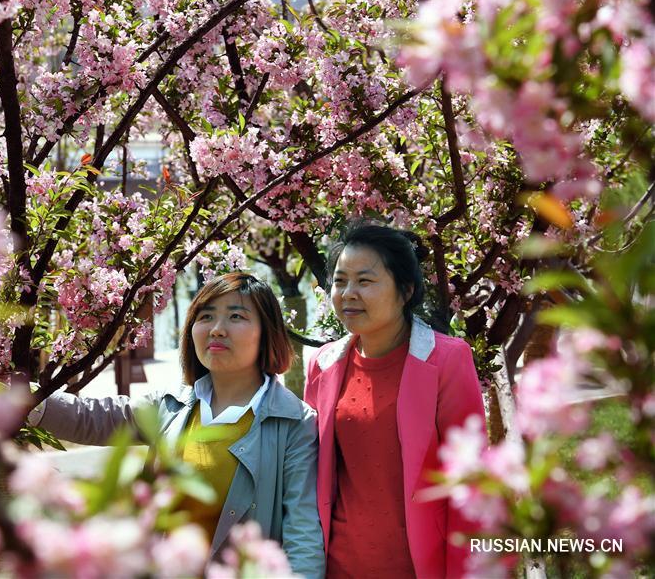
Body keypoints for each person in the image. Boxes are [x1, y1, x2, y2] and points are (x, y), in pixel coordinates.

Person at [29, 272, 325, 577]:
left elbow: (302, 531)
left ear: (267, 332)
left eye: (236, 316)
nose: (217, 329)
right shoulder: (173, 405)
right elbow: (94, 419)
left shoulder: (293, 422)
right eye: (206, 316)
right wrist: (21, 400)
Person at [304, 221, 486, 579]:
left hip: (419, 567)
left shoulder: (447, 360)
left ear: (405, 291)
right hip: (339, 567)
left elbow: (470, 483)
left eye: (365, 280)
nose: (348, 293)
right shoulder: (323, 363)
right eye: (340, 281)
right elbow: (312, 475)